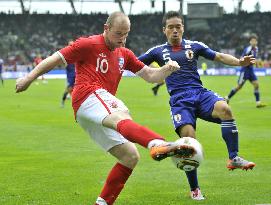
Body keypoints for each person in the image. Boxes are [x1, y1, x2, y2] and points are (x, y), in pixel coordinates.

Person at [15, 12, 196, 205]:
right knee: (121, 113)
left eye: (126, 34)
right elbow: (55, 58)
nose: (122, 39)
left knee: (130, 156)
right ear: (106, 28)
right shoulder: (88, 44)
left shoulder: (125, 54)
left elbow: (151, 76)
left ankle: (102, 203)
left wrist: (167, 69)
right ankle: (156, 143)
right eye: (118, 34)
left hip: (93, 111)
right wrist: (28, 78)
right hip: (87, 95)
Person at [138, 11, 256, 201]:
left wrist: (239, 62)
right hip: (179, 100)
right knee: (189, 142)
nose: (175, 30)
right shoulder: (157, 51)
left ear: (183, 27)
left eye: (178, 26)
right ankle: (195, 189)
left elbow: (218, 56)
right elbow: (134, 63)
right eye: (171, 27)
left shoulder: (195, 46)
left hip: (199, 93)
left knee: (225, 109)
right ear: (164, 30)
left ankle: (233, 158)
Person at [225, 35, 267, 108]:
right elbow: (241, 58)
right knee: (239, 87)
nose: (254, 42)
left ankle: (258, 103)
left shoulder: (256, 49)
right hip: (244, 70)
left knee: (256, 84)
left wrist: (256, 62)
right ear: (250, 42)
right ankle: (227, 98)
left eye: (255, 41)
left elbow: (254, 58)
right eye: (252, 41)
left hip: (251, 70)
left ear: (256, 42)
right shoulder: (248, 49)